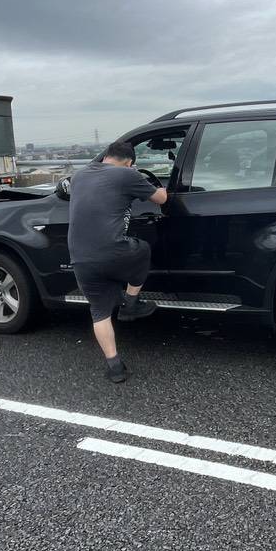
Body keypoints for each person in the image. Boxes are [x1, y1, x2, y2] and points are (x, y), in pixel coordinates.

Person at [67, 140, 168, 382]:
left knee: (99, 312)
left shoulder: (79, 176)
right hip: (112, 252)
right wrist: (153, 182)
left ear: (105, 156)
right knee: (141, 250)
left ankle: (115, 367)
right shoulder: (126, 175)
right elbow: (162, 199)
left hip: (80, 259)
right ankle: (131, 303)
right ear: (130, 162)